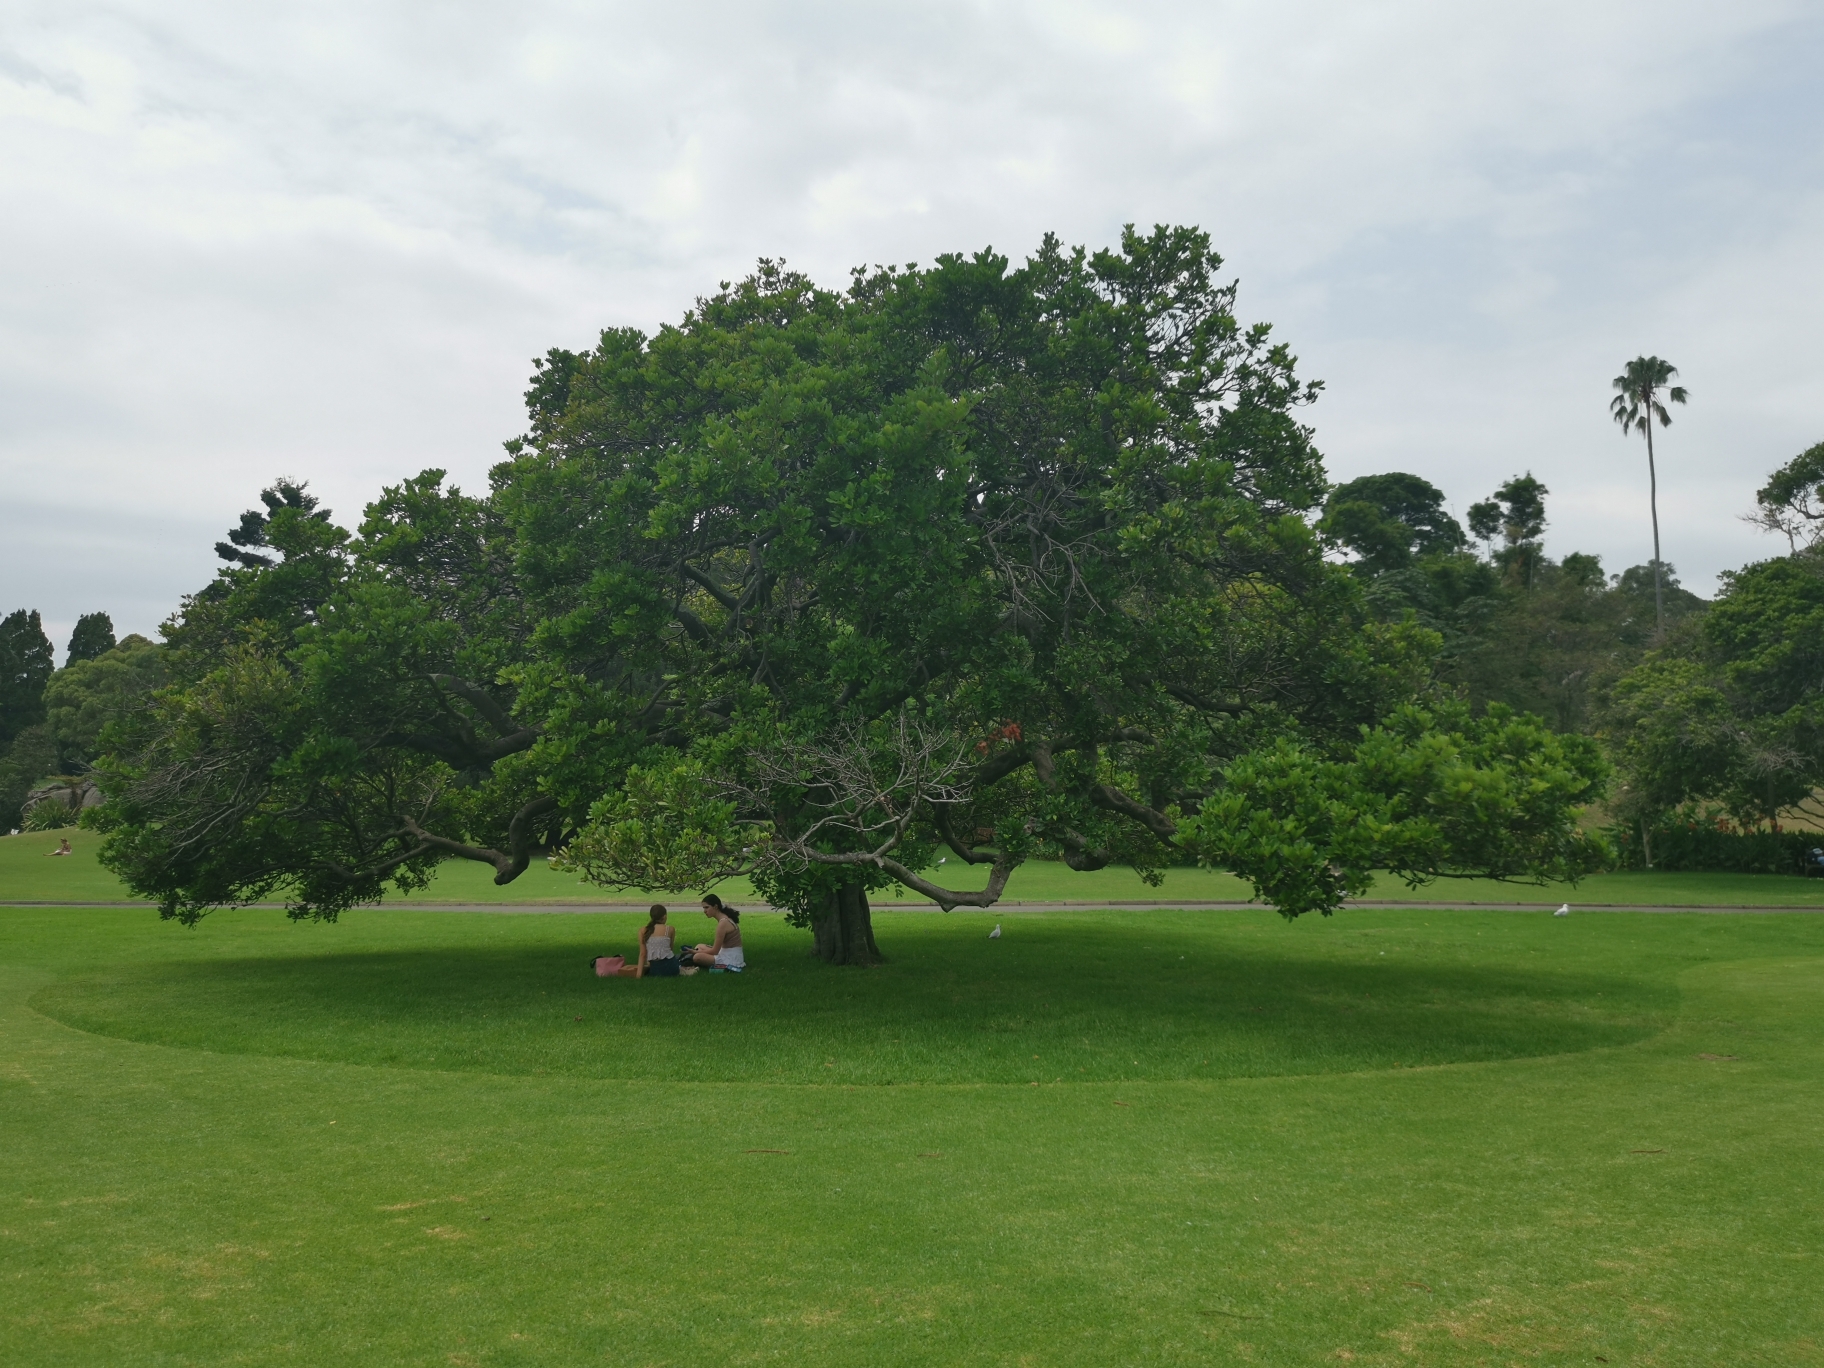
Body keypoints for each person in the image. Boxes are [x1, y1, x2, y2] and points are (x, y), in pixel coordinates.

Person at [686, 894, 744, 972]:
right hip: (729, 953)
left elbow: (715, 951)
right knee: (699, 945)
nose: (704, 911)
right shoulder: (725, 918)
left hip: (731, 959)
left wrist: (695, 952)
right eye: (703, 908)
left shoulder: (723, 923)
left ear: (715, 907)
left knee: (697, 957)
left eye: (707, 907)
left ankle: (720, 966)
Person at [638, 904, 680, 977]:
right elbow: (670, 949)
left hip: (655, 969)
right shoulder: (670, 929)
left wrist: (638, 975)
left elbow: (643, 954)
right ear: (664, 916)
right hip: (672, 968)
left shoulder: (643, 930)